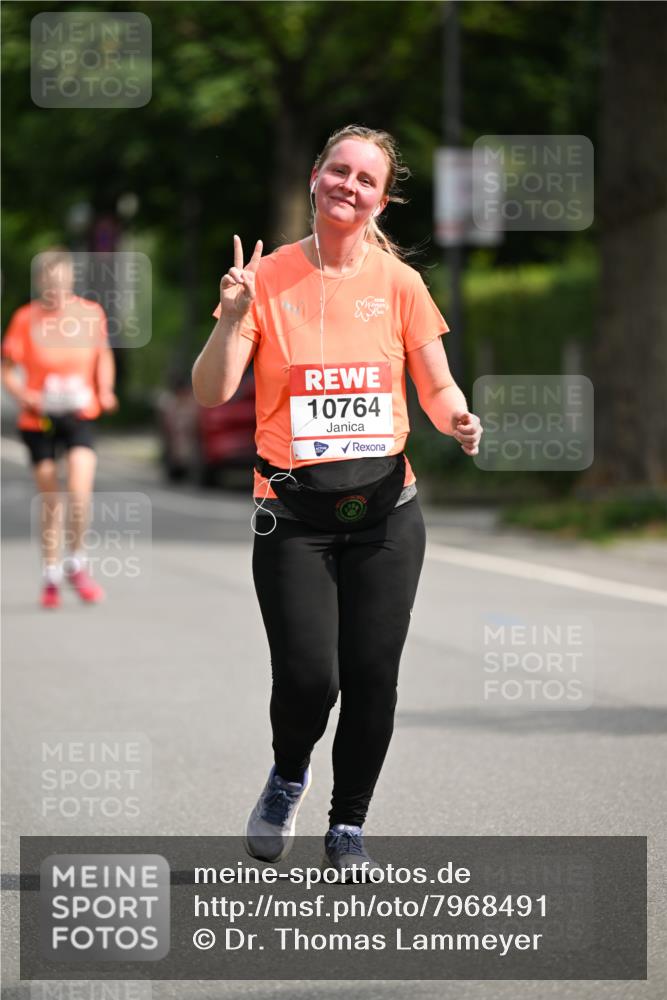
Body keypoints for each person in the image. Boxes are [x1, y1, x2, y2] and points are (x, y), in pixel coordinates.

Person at [192, 125, 482, 880]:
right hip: (292, 515)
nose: (347, 186)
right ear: (316, 176)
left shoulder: (400, 285)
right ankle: (289, 774)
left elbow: (436, 383)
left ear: (381, 200)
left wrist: (455, 415)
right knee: (307, 678)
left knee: (372, 677)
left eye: (365, 179)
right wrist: (230, 313)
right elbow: (211, 391)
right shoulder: (270, 277)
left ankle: (347, 823)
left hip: (386, 513)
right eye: (338, 171)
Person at [1, 247, 118, 608]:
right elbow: (6, 367)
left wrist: (105, 389)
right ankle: (50, 574)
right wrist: (25, 395)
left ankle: (76, 563)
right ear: (39, 283)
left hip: (79, 413)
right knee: (52, 500)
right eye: (48, 282)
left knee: (80, 491)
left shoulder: (89, 313)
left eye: (62, 281)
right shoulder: (25, 319)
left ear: (70, 280)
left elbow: (103, 354)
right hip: (39, 418)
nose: (55, 288)